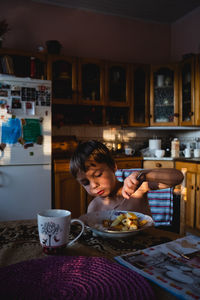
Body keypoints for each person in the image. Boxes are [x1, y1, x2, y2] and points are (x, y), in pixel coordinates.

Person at [70, 140, 184, 216]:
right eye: (85, 183)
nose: (93, 185)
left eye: (98, 175)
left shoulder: (137, 189)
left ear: (113, 166)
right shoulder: (94, 208)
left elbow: (178, 177)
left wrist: (143, 175)